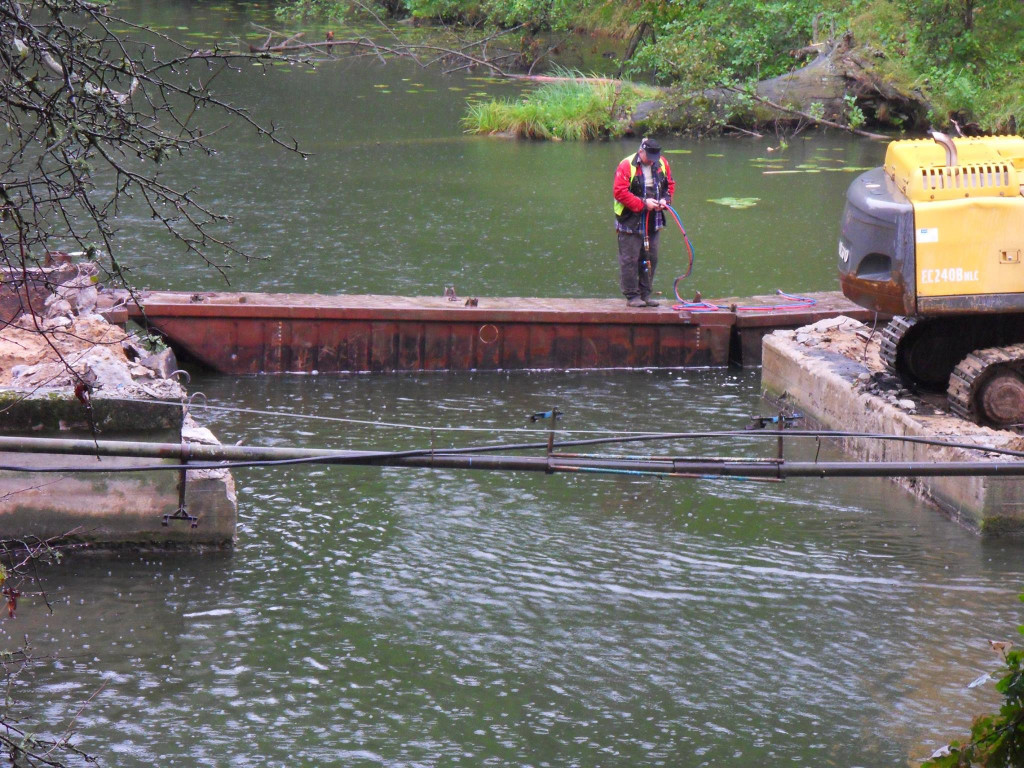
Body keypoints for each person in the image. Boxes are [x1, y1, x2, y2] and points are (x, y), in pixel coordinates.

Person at [612, 137, 676, 307]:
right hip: (629, 218)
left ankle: (645, 294)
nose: (653, 161)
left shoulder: (662, 163)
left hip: (652, 218)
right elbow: (619, 192)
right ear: (641, 151)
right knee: (630, 258)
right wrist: (643, 204)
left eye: (655, 157)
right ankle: (632, 296)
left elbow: (669, 185)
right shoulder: (626, 165)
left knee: (651, 257)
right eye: (650, 157)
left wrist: (665, 200)